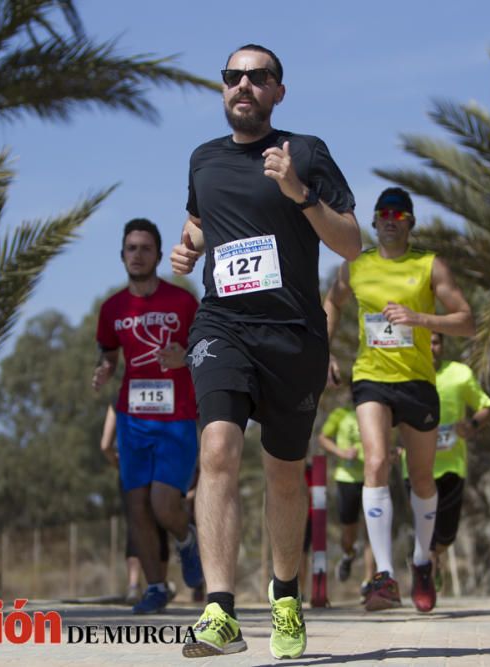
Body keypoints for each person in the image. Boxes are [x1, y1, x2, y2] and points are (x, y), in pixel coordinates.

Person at [170, 43, 360, 659]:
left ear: (279, 91)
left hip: (293, 335)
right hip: (223, 327)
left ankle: (284, 597)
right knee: (218, 448)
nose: (243, 85)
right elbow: (201, 221)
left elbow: (352, 243)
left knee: (283, 472)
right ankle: (220, 611)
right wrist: (188, 247)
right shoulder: (202, 159)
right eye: (234, 76)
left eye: (258, 77)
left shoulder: (305, 152)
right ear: (224, 89)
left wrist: (298, 190)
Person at [323, 186, 475, 613]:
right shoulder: (357, 264)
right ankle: (384, 576)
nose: (390, 219)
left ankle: (423, 562)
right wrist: (325, 352)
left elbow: (468, 321)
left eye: (399, 213)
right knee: (375, 463)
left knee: (422, 478)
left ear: (409, 222)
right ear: (373, 221)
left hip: (417, 381)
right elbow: (331, 304)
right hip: (371, 377)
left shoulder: (429, 266)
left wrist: (420, 318)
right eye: (383, 212)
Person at [92, 218, 204, 615]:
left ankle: (186, 538)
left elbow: (206, 352)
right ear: (122, 255)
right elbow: (108, 352)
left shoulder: (183, 303)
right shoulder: (112, 308)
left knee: (162, 503)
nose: (137, 255)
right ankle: (155, 587)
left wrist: (185, 357)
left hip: (176, 419)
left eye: (144, 248)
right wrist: (105, 369)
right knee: (136, 504)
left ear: (158, 254)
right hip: (132, 419)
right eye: (130, 248)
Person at [403, 332, 490, 591]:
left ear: (442, 346)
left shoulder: (460, 374)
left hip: (452, 465)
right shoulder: (405, 374)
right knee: (424, 528)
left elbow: (485, 405)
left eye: (436, 342)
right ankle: (425, 573)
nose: (431, 347)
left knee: (446, 535)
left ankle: (434, 559)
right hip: (415, 467)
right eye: (426, 341)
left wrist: (472, 424)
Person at [99, 403, 175, 604]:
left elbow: (105, 445)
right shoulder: (162, 393)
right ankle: (160, 584)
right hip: (160, 465)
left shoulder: (118, 400)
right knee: (160, 524)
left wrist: (120, 463)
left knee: (137, 523)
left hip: (131, 468)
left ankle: (134, 585)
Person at [316, 405, 376, 594]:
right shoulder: (340, 413)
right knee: (348, 533)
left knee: (373, 531)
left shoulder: (376, 409)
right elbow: (323, 438)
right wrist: (342, 453)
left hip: (372, 477)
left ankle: (369, 581)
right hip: (347, 478)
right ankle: (349, 553)